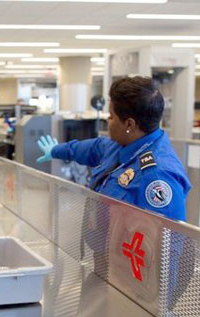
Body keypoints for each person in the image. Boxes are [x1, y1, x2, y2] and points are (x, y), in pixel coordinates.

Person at [36, 76, 191, 221]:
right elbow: (88, 149)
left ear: (129, 124)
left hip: (123, 249)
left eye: (111, 116)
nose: (107, 121)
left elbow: (166, 243)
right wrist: (56, 150)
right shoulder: (121, 145)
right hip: (103, 245)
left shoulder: (157, 177)